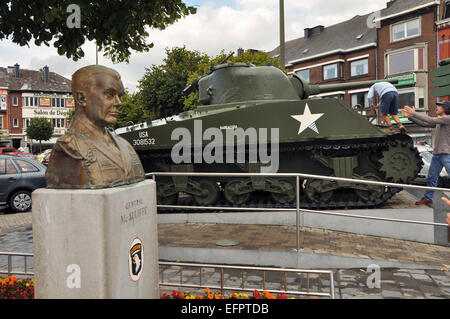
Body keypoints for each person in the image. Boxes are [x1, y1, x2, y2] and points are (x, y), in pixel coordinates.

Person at [45, 65, 145, 189]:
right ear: (81, 99)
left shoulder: (124, 144)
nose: (119, 103)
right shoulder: (68, 148)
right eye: (110, 95)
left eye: (120, 96)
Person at [400, 101, 450, 206]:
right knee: (432, 177)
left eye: (439, 106)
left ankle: (428, 198)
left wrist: (414, 113)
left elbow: (429, 119)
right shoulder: (440, 121)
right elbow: (424, 123)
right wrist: (410, 117)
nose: (436, 107)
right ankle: (428, 198)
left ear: (445, 108)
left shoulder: (447, 118)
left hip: (446, 154)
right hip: (437, 155)